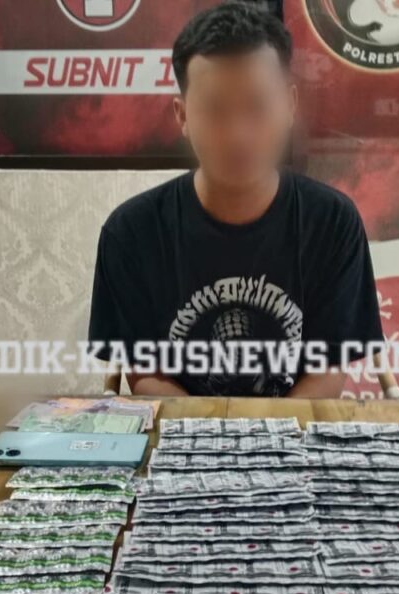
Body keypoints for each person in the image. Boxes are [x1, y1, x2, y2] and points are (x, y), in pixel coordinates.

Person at [88, 1, 383, 398]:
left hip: (293, 430)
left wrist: (266, 434)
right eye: (215, 110)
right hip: (182, 430)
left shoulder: (332, 223)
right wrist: (212, 432)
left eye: (257, 107)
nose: (238, 134)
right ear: (182, 115)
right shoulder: (132, 233)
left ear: (290, 106)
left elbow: (327, 371)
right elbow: (147, 374)